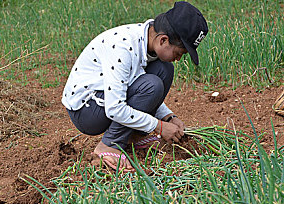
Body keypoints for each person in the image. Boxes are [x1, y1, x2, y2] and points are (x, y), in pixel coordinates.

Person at [62, 1, 208, 171]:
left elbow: (135, 87)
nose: (178, 59)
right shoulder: (123, 48)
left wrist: (168, 117)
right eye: (178, 53)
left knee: (164, 69)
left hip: (104, 100)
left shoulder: (147, 41)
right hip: (86, 110)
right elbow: (115, 108)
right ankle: (109, 146)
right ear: (163, 40)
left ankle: (133, 136)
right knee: (152, 84)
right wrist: (159, 126)